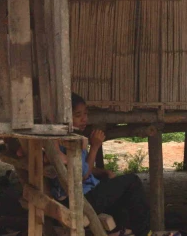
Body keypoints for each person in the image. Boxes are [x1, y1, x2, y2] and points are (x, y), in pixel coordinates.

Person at [51, 94, 150, 236]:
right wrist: (95, 147)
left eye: (85, 114)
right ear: (65, 117)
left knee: (114, 184)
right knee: (132, 182)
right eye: (78, 115)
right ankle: (143, 232)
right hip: (79, 200)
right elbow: (83, 175)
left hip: (81, 194)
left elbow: (84, 167)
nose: (84, 119)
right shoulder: (66, 141)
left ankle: (121, 230)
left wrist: (102, 172)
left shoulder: (72, 136)